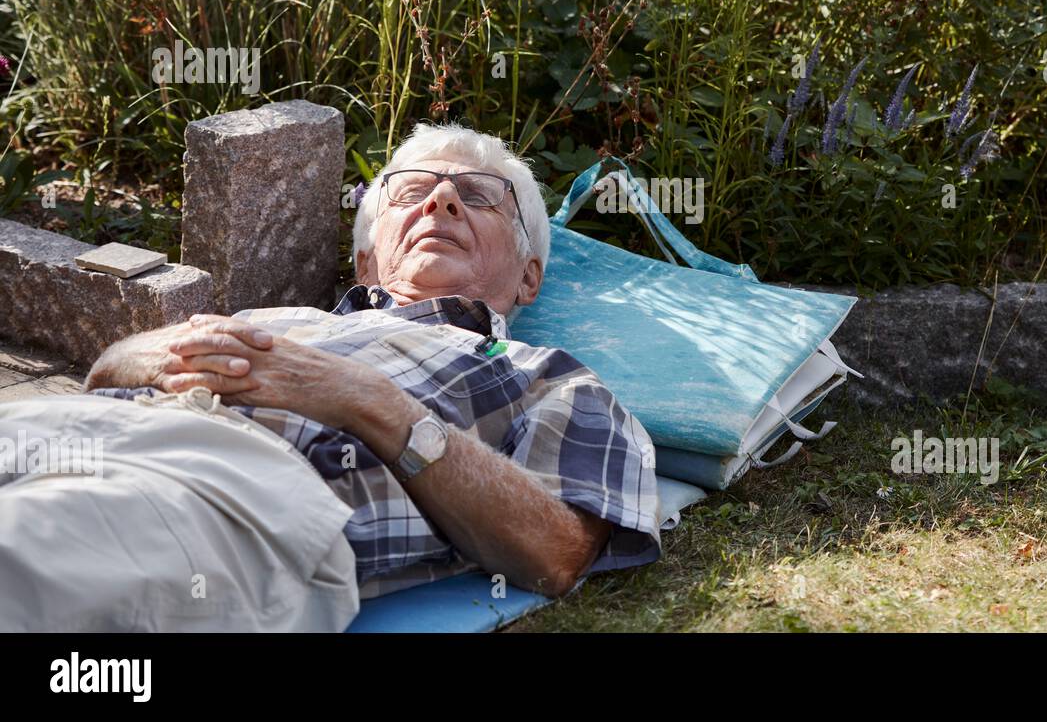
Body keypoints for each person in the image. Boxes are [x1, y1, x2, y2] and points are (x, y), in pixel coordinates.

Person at [0, 122, 660, 630]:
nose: (441, 201)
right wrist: (166, 349)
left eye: (480, 198)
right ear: (367, 260)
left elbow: (559, 551)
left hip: (234, 496)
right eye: (412, 192)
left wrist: (371, 402)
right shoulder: (277, 320)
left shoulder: (551, 380)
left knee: (24, 554)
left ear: (528, 276)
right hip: (79, 428)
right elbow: (105, 373)